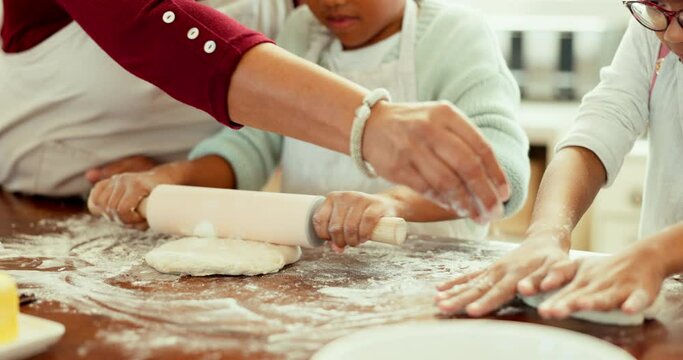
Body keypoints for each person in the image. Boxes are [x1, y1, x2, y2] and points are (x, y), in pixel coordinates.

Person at [87, 0, 530, 251]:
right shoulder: (303, 32)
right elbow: (251, 148)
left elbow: (504, 176)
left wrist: (391, 204)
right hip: (317, 277)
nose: (331, 1)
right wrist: (168, 179)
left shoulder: (457, 36)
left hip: (436, 276)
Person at [435, 0, 683, 319]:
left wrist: (657, 254)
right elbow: (602, 124)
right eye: (656, 8)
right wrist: (546, 235)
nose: (672, 34)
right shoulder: (654, 30)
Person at [0, 0, 294, 197]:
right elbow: (156, 31)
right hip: (24, 208)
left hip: (184, 209)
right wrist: (343, 123)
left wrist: (178, 174)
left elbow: (272, 121)